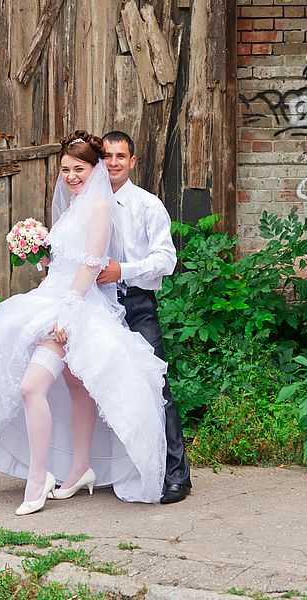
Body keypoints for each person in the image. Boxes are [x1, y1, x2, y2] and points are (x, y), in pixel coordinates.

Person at [0, 130, 168, 515]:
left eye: (79, 168)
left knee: (32, 387)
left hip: (76, 307)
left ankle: (39, 475)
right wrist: (43, 261)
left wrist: (67, 313)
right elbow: (65, 260)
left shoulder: (99, 208)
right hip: (53, 298)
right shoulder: (72, 208)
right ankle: (80, 468)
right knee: (77, 387)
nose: (70, 176)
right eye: (64, 169)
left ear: (95, 169)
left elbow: (91, 264)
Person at [97, 131, 191, 504]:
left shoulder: (148, 206)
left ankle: (176, 475)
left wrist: (123, 270)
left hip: (136, 304)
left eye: (121, 156)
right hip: (99, 306)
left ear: (133, 161)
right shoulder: (88, 204)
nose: (114, 162)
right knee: (101, 387)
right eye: (107, 156)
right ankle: (113, 467)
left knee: (156, 387)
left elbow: (166, 260)